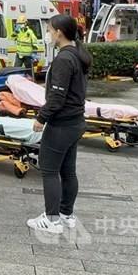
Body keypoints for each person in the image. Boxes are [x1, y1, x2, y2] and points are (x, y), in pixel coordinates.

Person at [27, 14, 91, 234]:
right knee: (68, 171)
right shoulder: (78, 55)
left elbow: (57, 97)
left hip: (62, 124)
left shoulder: (64, 59)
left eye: (49, 29)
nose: (48, 34)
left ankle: (52, 220)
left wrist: (41, 118)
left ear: (59, 32)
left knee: (49, 170)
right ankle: (66, 214)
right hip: (75, 122)